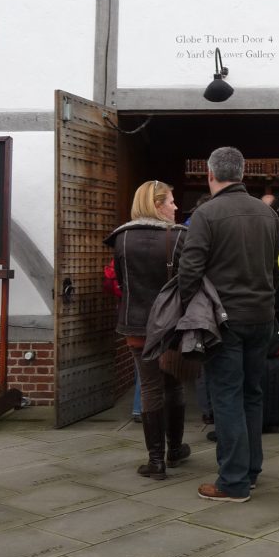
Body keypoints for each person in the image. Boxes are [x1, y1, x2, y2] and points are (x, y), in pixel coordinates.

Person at [178, 147, 279, 503]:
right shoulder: (266, 214)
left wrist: (187, 307)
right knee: (252, 394)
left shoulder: (206, 215)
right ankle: (250, 470)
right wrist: (266, 296)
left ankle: (234, 481)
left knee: (226, 397)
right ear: (242, 174)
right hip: (262, 316)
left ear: (211, 175)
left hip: (224, 320)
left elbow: (189, 269)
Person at [105, 180, 189, 479]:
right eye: (170, 201)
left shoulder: (121, 238)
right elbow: (186, 282)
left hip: (135, 323)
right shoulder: (179, 237)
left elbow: (123, 283)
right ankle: (175, 449)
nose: (175, 207)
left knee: (151, 387)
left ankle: (156, 461)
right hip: (170, 325)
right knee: (174, 384)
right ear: (156, 205)